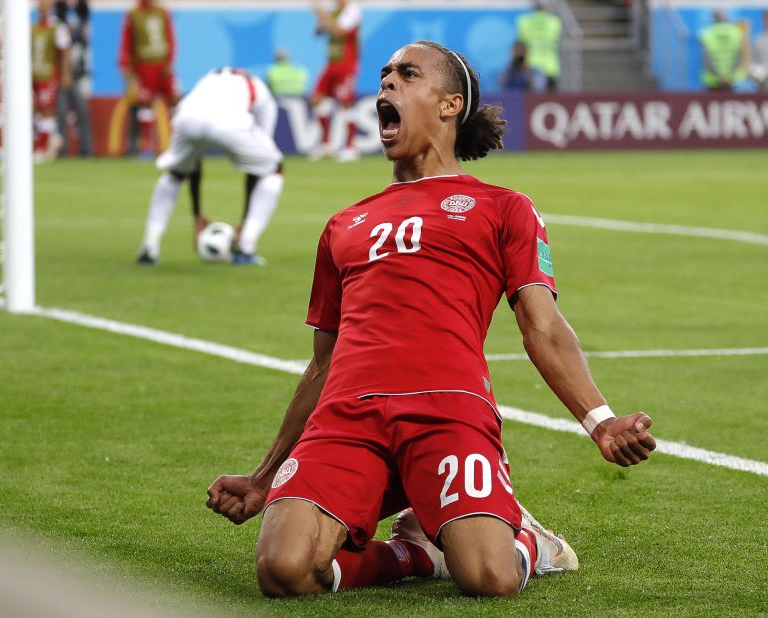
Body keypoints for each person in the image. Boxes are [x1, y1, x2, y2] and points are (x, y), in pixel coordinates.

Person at [206, 40, 656, 599]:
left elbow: (542, 326)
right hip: (347, 419)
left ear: (449, 104)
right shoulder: (345, 223)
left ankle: (532, 541)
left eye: (407, 74)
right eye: (384, 75)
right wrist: (263, 475)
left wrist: (600, 421)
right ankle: (416, 553)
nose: (386, 83)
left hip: (448, 410)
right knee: (283, 570)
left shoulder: (503, 206)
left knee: (490, 577)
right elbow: (322, 364)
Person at [137, 67, 284, 266]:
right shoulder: (264, 96)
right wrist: (245, 220)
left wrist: (197, 214)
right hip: (230, 122)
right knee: (274, 169)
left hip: (187, 117)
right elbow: (256, 170)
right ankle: (246, 247)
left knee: (176, 173)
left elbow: (194, 161)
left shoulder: (209, 78)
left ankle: (149, 245)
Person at [118, 0, 179, 157]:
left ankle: (178, 143)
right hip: (144, 65)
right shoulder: (133, 14)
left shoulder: (162, 12)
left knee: (173, 99)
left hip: (163, 64)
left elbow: (170, 37)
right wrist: (124, 64)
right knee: (145, 103)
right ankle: (145, 146)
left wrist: (170, 60)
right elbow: (127, 41)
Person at [309, 0, 362, 162]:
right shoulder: (333, 11)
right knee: (317, 98)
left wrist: (320, 13)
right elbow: (318, 32)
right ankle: (326, 144)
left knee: (345, 103)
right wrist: (321, 19)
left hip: (347, 63)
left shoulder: (353, 10)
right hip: (332, 63)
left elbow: (340, 32)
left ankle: (351, 147)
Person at [31, 0, 71, 163]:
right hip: (35, 75)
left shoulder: (58, 27)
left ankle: (42, 148)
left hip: (50, 76)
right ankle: (52, 139)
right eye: (40, 2)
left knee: (48, 110)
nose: (43, 5)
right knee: (38, 111)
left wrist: (66, 73)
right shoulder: (33, 28)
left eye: (46, 2)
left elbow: (64, 52)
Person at [55, 0, 94, 156]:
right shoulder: (60, 13)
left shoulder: (82, 12)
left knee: (82, 111)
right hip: (63, 73)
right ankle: (61, 149)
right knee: (61, 111)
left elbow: (84, 38)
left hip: (78, 72)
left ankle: (87, 149)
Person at [516, 1, 562, 91]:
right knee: (551, 100)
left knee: (532, 100)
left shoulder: (524, 22)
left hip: (531, 65)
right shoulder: (555, 22)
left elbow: (521, 46)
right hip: (551, 66)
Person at [698, 9, 747, 91]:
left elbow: (706, 60)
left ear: (713, 18)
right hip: (732, 80)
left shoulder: (707, 34)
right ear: (727, 18)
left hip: (712, 81)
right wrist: (728, 76)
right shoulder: (736, 32)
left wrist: (719, 76)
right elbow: (739, 56)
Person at [748, 11, 768, 90]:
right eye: (766, 19)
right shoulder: (758, 39)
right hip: (762, 87)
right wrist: (759, 74)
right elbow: (752, 63)